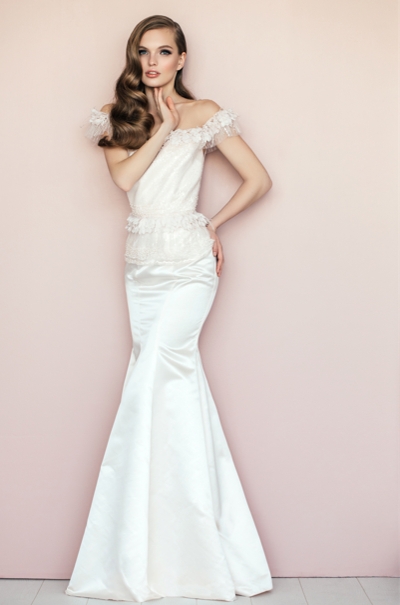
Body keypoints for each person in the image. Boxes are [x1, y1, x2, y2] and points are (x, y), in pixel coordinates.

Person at [66, 14, 273, 603]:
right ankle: (159, 550)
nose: (152, 61)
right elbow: (126, 179)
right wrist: (162, 126)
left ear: (181, 58)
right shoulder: (119, 120)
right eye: (143, 52)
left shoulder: (207, 113)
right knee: (164, 386)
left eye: (163, 52)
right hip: (140, 269)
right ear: (134, 60)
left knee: (159, 374)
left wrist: (211, 223)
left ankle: (177, 551)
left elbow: (259, 180)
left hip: (187, 267)